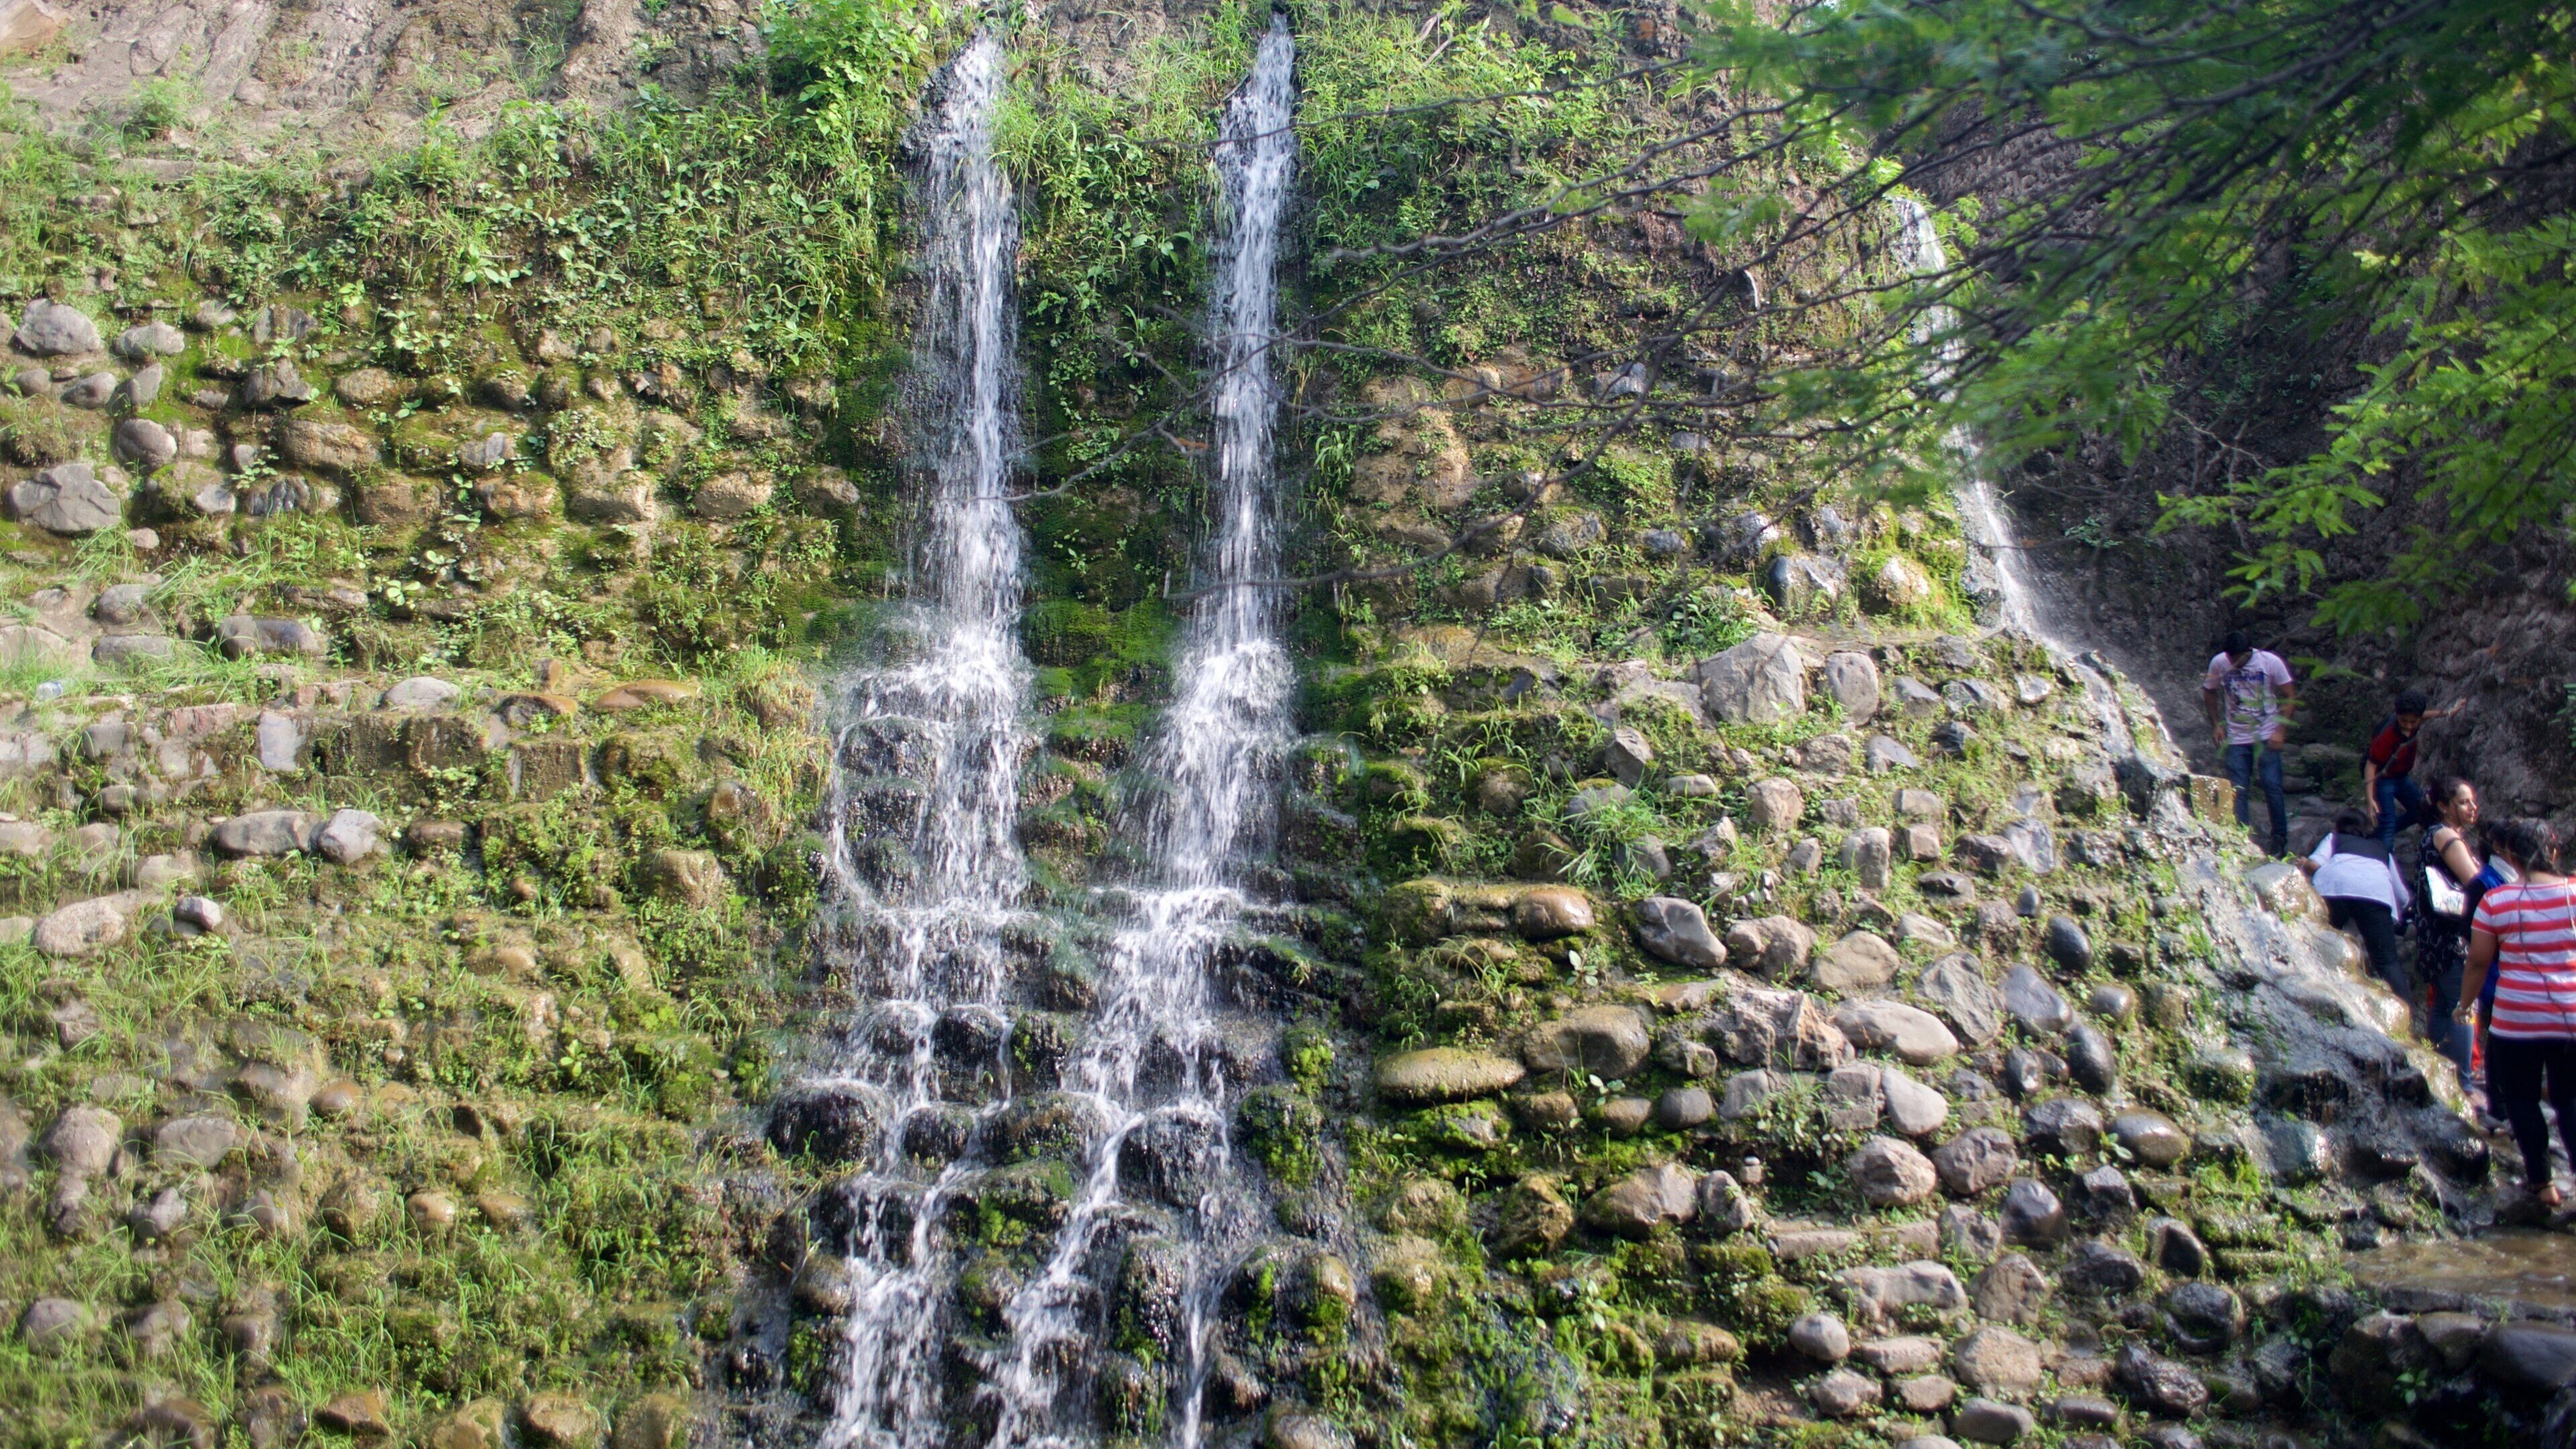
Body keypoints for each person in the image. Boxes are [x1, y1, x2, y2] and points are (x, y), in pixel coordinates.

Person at [2455, 819, 2576, 1207]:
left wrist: (2464, 1005)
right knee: (2570, 1100)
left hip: (2515, 1021)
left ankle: (2543, 1185)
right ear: (2553, 851)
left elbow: (2478, 962)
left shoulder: (2497, 901)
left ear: (2509, 855)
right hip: (2571, 1019)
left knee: (2522, 1100)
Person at [2300, 807, 2413, 999]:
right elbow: (2402, 895)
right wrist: (2401, 914)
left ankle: (2311, 991)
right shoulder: (2381, 849)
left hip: (2335, 889)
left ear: (2338, 826)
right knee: (2387, 962)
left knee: (2321, 943)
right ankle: (2406, 1009)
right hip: (2375, 895)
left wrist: (2303, 864)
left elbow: (2314, 864)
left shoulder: (2334, 838)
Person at [2202, 629, 2296, 855]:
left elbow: (2290, 696)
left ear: (2247, 653)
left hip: (2266, 733)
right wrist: (2217, 724)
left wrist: (2280, 731)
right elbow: (2209, 691)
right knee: (2238, 790)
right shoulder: (2219, 663)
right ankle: (2242, 839)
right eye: (2230, 659)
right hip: (2236, 736)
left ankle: (2279, 840)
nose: (2232, 663)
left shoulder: (2269, 662)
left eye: (2237, 659)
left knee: (2272, 786)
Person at [2414, 774, 2483, 1081]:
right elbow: (2476, 883)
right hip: (2450, 938)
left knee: (2443, 1007)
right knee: (2462, 1006)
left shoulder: (2434, 834)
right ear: (2444, 806)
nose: (2473, 808)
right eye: (2464, 802)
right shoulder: (2446, 836)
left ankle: (2440, 1078)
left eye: (2473, 802)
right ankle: (2464, 1083)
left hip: (2432, 936)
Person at [2362, 688, 2464, 847]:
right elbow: (2371, 764)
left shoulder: (2415, 719)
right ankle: (2383, 853)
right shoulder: (2387, 736)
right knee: (2387, 822)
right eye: (2404, 721)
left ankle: (2377, 836)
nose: (2409, 726)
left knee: (2421, 811)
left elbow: (2426, 715)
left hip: (2401, 777)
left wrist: (2448, 712)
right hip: (2383, 779)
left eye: (2413, 722)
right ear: (2397, 714)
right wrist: (2370, 800)